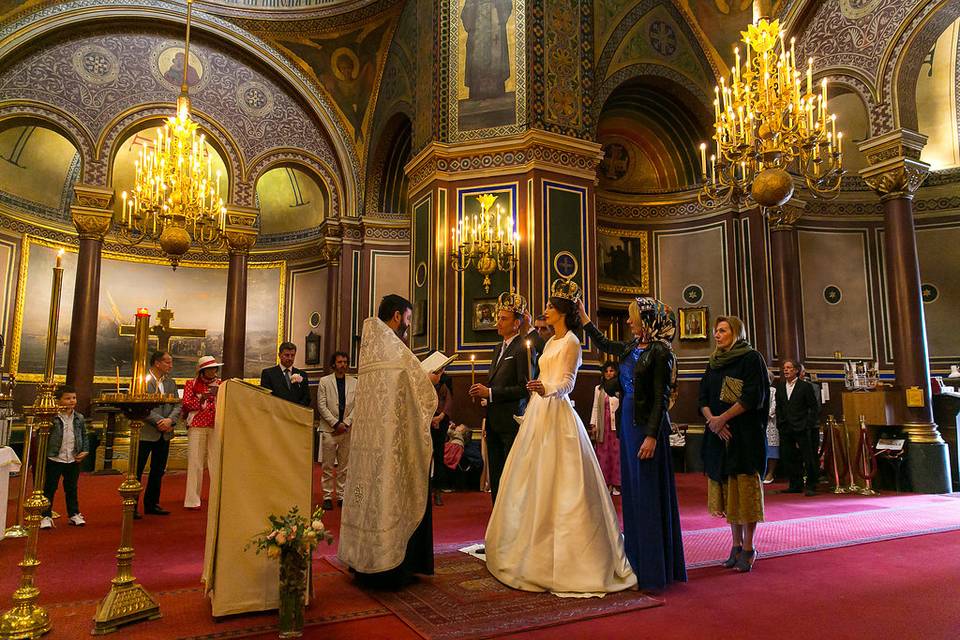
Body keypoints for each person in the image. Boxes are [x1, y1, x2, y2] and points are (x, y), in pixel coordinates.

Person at [485, 279, 637, 596]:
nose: (545, 310)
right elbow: (543, 374)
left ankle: (569, 556)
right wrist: (536, 389)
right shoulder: (549, 342)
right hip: (539, 413)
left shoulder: (570, 343)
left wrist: (547, 389)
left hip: (558, 413)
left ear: (563, 312)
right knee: (530, 480)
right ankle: (526, 547)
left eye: (550, 307)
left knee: (563, 481)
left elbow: (567, 382)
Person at [580, 298, 687, 591]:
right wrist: (585, 318)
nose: (628, 322)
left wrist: (652, 435)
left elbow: (661, 399)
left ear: (647, 319)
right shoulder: (630, 348)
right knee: (632, 495)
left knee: (647, 495)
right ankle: (636, 563)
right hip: (627, 426)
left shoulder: (661, 352)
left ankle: (654, 571)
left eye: (633, 317)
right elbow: (604, 343)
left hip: (645, 429)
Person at [338, 294, 438, 589]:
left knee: (365, 496)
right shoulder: (393, 348)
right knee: (388, 496)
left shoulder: (369, 347)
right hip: (389, 443)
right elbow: (411, 387)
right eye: (407, 320)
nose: (407, 326)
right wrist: (429, 381)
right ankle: (391, 569)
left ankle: (361, 561)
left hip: (368, 444)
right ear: (396, 316)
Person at [699, 316, 769, 573]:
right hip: (719, 438)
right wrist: (713, 421)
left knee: (745, 494)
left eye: (722, 330)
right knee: (730, 494)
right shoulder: (714, 362)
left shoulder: (751, 358)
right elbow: (703, 397)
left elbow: (754, 396)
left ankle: (749, 547)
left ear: (736, 333)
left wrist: (723, 419)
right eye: (716, 331)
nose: (716, 335)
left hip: (744, 437)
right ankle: (735, 545)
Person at [468, 291, 530, 504]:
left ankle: (511, 515)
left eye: (504, 319)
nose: (498, 323)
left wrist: (491, 393)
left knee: (510, 473)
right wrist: (485, 394)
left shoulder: (522, 348)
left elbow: (524, 388)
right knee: (495, 472)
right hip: (493, 420)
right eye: (498, 318)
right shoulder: (497, 348)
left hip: (511, 421)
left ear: (517, 323)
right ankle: (498, 515)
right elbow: (497, 382)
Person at [138, 351, 181, 519]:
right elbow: (140, 405)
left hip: (165, 433)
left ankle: (152, 503)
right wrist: (159, 421)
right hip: (146, 432)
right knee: (137, 469)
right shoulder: (141, 380)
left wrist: (170, 421)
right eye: (168, 362)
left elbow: (177, 404)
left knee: (158, 470)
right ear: (157, 363)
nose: (171, 366)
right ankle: (131, 505)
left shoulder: (170, 382)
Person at [40, 385, 89, 529]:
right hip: (55, 457)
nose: (71, 401)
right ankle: (45, 516)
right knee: (49, 487)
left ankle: (74, 514)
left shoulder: (79, 418)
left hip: (73, 458)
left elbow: (84, 435)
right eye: (67, 398)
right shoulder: (52, 417)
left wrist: (85, 450)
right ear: (58, 400)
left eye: (73, 398)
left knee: (71, 487)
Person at [316, 351, 357, 510]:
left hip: (346, 429)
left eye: (345, 362)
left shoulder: (354, 382)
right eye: (340, 362)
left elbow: (356, 406)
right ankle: (327, 495)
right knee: (327, 465)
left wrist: (345, 423)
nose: (343, 365)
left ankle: (341, 495)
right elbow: (321, 405)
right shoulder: (324, 381)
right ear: (334, 364)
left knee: (344, 466)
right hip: (329, 430)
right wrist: (335, 423)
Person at [776, 359, 821, 496]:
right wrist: (780, 423)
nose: (786, 370)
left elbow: (813, 408)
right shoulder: (781, 387)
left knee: (808, 456)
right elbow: (779, 407)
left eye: (789, 368)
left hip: (802, 426)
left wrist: (808, 424)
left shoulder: (805, 386)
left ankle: (812, 485)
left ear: (796, 370)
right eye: (784, 368)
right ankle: (795, 484)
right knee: (789, 456)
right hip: (786, 427)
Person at [182, 355, 221, 510]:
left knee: (215, 462)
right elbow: (186, 403)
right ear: (203, 371)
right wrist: (202, 399)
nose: (213, 371)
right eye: (209, 369)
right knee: (195, 462)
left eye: (214, 368)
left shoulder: (220, 384)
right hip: (197, 425)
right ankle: (192, 499)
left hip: (215, 425)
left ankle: (217, 497)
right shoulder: (191, 384)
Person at [589, 361, 622, 496]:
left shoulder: (620, 387)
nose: (609, 373)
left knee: (616, 453)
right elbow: (596, 407)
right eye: (606, 371)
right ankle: (606, 483)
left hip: (616, 425)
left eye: (611, 371)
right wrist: (594, 424)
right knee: (604, 453)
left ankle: (617, 484)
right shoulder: (598, 389)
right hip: (604, 425)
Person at [260, 342, 311, 407]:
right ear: (279, 355)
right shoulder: (268, 373)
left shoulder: (302, 374)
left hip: (297, 413)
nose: (290, 358)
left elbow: (307, 397)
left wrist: (297, 409)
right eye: (287, 355)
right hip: (276, 413)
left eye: (292, 355)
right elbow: (266, 397)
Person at [431, 368, 453, 506]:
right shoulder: (423, 378)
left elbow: (449, 401)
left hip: (441, 419)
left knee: (439, 455)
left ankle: (437, 491)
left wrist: (440, 417)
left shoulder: (446, 380)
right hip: (426, 419)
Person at [764, 369, 780, 484]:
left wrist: (766, 414)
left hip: (770, 423)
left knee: (772, 449)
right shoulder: (757, 390)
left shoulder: (773, 391)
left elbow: (774, 406)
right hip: (757, 424)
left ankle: (770, 473)